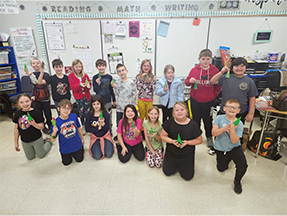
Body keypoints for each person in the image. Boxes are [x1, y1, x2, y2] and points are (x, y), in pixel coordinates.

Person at [210, 57, 258, 154]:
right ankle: (217, 147)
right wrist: (221, 72)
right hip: (224, 111)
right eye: (236, 66)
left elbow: (252, 98)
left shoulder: (249, 82)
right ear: (232, 67)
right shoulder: (226, 77)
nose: (239, 68)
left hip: (240, 112)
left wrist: (251, 113)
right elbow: (212, 81)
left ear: (246, 68)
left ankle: (233, 148)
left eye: (242, 66)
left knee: (235, 131)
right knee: (219, 130)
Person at [184, 49, 221, 152]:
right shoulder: (194, 70)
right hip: (195, 99)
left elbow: (218, 85)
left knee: (208, 120)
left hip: (208, 101)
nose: (205, 61)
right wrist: (190, 81)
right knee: (195, 119)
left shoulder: (215, 70)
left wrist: (213, 95)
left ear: (211, 59)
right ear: (199, 59)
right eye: (203, 59)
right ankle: (196, 135)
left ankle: (209, 137)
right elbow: (187, 82)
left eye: (208, 59)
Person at [212, 98, 247, 194]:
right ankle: (225, 161)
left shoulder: (239, 123)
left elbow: (235, 141)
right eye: (229, 107)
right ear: (224, 108)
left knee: (243, 165)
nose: (232, 109)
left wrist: (232, 130)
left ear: (239, 111)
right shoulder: (219, 118)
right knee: (221, 168)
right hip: (221, 148)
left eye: (235, 108)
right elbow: (214, 133)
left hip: (235, 148)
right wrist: (223, 129)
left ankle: (237, 181)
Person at [160, 101, 202, 181]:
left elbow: (199, 140)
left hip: (187, 154)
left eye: (182, 109)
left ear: (187, 111)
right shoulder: (169, 122)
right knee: (167, 172)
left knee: (187, 177)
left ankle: (182, 165)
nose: (179, 112)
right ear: (173, 113)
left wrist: (187, 142)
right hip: (172, 152)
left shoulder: (193, 125)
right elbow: (162, 135)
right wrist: (172, 141)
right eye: (177, 110)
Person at [13, 93, 52, 160]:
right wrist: (16, 143)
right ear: (18, 104)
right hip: (25, 140)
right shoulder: (17, 114)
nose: (25, 104)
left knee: (41, 155)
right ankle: (39, 144)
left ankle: (48, 141)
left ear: (31, 101)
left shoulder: (36, 112)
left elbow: (42, 127)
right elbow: (16, 129)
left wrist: (34, 124)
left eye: (27, 101)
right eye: (21, 102)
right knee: (30, 157)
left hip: (36, 138)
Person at [50, 99, 84, 166]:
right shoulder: (56, 122)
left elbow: (79, 127)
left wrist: (82, 138)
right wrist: (54, 132)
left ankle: (81, 149)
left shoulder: (74, 116)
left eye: (68, 108)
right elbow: (52, 139)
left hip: (77, 145)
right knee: (66, 163)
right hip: (65, 149)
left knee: (80, 160)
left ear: (71, 110)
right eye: (63, 108)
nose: (66, 110)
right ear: (58, 108)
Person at [25, 58, 52, 134]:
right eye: (33, 63)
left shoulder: (46, 74)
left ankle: (50, 126)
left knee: (48, 113)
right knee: (39, 113)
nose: (36, 65)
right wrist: (31, 74)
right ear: (31, 65)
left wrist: (42, 73)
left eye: (37, 63)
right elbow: (35, 82)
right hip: (36, 98)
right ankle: (43, 127)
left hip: (46, 98)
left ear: (41, 64)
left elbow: (40, 83)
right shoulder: (31, 75)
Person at [111, 63, 137, 141]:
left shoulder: (131, 82)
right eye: (119, 71)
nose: (121, 72)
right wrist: (115, 88)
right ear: (118, 73)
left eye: (123, 70)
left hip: (129, 107)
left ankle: (129, 133)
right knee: (119, 122)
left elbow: (134, 94)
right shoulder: (117, 82)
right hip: (120, 106)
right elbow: (116, 93)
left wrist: (133, 106)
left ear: (126, 71)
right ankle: (120, 134)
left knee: (129, 121)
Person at [85, 95, 114, 160]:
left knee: (109, 155)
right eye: (94, 104)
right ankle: (97, 146)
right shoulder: (89, 115)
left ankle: (107, 145)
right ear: (91, 105)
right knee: (97, 156)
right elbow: (87, 128)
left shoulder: (106, 114)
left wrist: (103, 124)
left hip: (105, 135)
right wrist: (97, 129)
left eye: (98, 104)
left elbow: (107, 128)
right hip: (95, 136)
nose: (96, 106)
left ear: (101, 104)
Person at [93, 59, 116, 135]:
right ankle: (100, 128)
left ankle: (109, 129)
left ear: (105, 66)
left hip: (108, 100)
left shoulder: (109, 77)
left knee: (108, 115)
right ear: (96, 67)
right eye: (99, 66)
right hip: (99, 101)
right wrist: (98, 84)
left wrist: (114, 100)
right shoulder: (95, 77)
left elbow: (111, 89)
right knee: (99, 114)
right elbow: (95, 90)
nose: (101, 67)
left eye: (103, 66)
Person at [68, 59, 91, 135]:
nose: (78, 68)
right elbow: (73, 87)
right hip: (79, 97)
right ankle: (83, 126)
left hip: (87, 97)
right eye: (76, 67)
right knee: (81, 113)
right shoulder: (71, 76)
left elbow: (89, 85)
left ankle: (88, 125)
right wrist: (80, 85)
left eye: (80, 67)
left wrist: (88, 86)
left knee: (87, 112)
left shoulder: (85, 75)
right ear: (73, 67)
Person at [136, 59, 156, 136]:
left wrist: (149, 81)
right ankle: (141, 131)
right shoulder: (138, 76)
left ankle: (148, 131)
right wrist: (142, 80)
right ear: (142, 67)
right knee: (141, 116)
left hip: (149, 99)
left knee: (149, 116)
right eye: (144, 66)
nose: (146, 67)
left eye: (148, 65)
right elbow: (138, 88)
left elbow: (153, 89)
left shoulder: (153, 77)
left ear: (150, 67)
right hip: (141, 99)